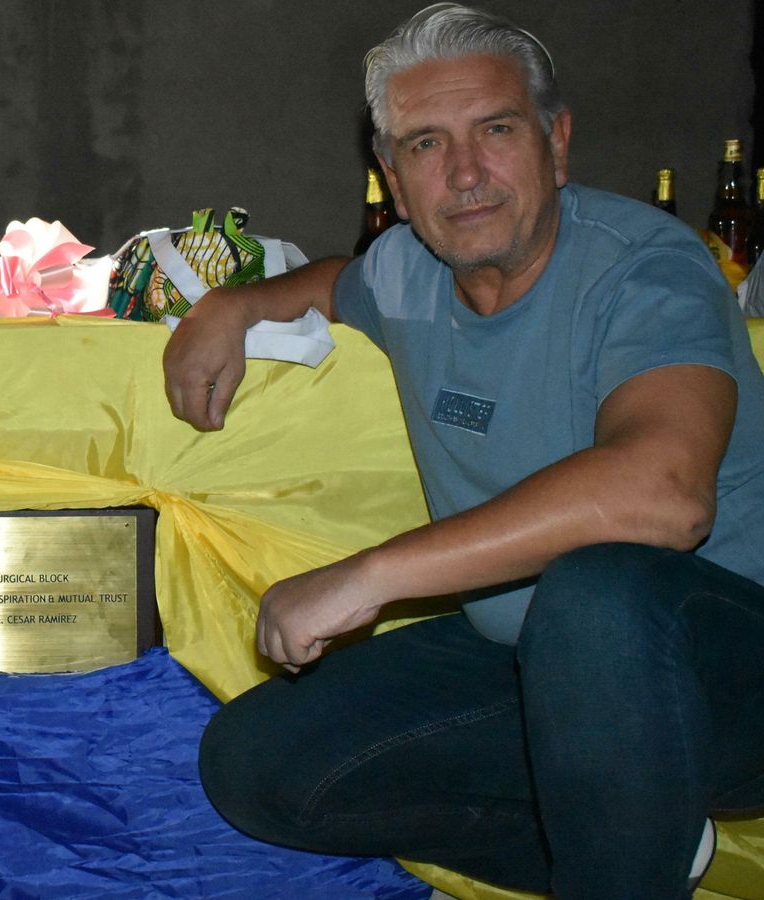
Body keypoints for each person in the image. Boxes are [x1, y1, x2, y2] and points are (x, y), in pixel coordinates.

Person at [164, 4, 764, 897]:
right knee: (255, 763)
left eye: (496, 129)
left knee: (597, 590)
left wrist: (372, 574)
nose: (467, 174)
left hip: (721, 678)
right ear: (395, 183)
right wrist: (234, 305)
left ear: (557, 144)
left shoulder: (647, 269)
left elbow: (665, 496)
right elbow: (335, 280)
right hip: (535, 665)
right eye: (426, 145)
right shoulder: (407, 270)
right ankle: (639, 843)